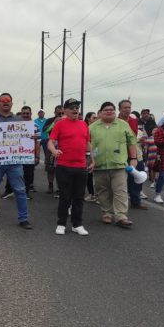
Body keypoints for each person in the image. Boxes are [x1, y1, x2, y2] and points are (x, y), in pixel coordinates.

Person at [0, 93, 33, 229]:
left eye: (8, 100)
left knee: (20, 190)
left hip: (14, 162)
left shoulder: (20, 121)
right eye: (2, 100)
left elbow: (28, 138)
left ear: (11, 104)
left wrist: (31, 137)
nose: (5, 102)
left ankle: (24, 219)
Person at [48, 98, 93, 236]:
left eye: (77, 108)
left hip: (81, 166)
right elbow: (51, 142)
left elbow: (87, 143)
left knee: (79, 197)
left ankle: (77, 224)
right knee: (65, 197)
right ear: (65, 110)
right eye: (72, 107)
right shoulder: (60, 124)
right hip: (64, 166)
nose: (75, 110)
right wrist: (54, 151)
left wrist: (92, 159)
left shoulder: (84, 125)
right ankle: (61, 223)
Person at [89, 102, 137, 228]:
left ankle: (121, 216)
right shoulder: (92, 127)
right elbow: (86, 144)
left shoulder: (123, 125)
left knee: (120, 191)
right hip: (99, 166)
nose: (109, 111)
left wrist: (134, 158)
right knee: (103, 191)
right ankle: (107, 213)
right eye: (106, 110)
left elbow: (132, 142)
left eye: (112, 110)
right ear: (101, 112)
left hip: (119, 165)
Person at [118, 99, 148, 210]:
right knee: (122, 179)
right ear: (119, 109)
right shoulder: (116, 121)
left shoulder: (134, 120)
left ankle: (136, 201)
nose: (127, 109)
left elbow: (134, 136)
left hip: (134, 151)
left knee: (138, 175)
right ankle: (120, 203)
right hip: (121, 153)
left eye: (129, 107)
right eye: (124, 107)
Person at [42, 105, 64, 195]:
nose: (60, 114)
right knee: (50, 167)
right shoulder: (50, 120)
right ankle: (50, 185)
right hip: (52, 145)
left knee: (61, 168)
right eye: (59, 113)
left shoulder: (67, 120)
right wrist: (54, 123)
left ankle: (60, 187)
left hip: (63, 146)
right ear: (55, 113)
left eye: (62, 113)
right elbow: (45, 130)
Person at [20, 106, 41, 198]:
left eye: (27, 113)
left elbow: (38, 143)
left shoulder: (36, 126)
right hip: (16, 154)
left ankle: (26, 192)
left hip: (29, 154)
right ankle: (12, 191)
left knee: (28, 174)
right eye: (23, 113)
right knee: (16, 174)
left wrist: (37, 156)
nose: (25, 115)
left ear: (31, 114)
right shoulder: (14, 126)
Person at [83, 111, 98, 202]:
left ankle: (96, 195)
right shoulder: (86, 127)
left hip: (97, 153)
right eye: (93, 118)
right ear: (88, 118)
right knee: (88, 175)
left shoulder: (97, 128)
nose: (95, 119)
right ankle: (91, 194)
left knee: (97, 176)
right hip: (87, 154)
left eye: (96, 117)